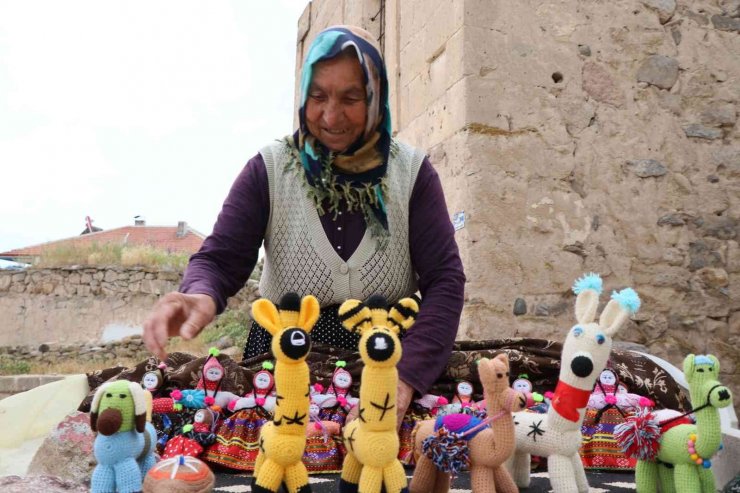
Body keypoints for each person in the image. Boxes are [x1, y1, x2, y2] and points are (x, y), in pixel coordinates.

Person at [142, 25, 466, 425]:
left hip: (386, 362)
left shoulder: (412, 174)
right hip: (283, 364)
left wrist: (401, 382)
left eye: (350, 98)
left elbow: (445, 281)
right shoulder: (269, 170)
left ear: (376, 97)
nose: (331, 116)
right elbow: (221, 260)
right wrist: (201, 294)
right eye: (318, 96)